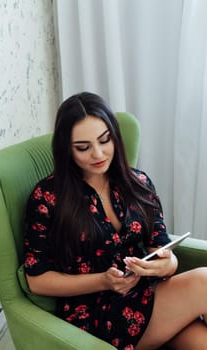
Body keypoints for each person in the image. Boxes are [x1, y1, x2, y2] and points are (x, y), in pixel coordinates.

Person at [24, 92, 207, 350]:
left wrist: (165, 265)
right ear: (66, 148)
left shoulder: (139, 184)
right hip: (96, 312)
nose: (98, 154)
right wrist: (103, 280)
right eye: (83, 147)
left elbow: (162, 250)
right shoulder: (48, 197)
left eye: (104, 140)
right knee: (204, 282)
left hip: (149, 297)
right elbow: (37, 279)